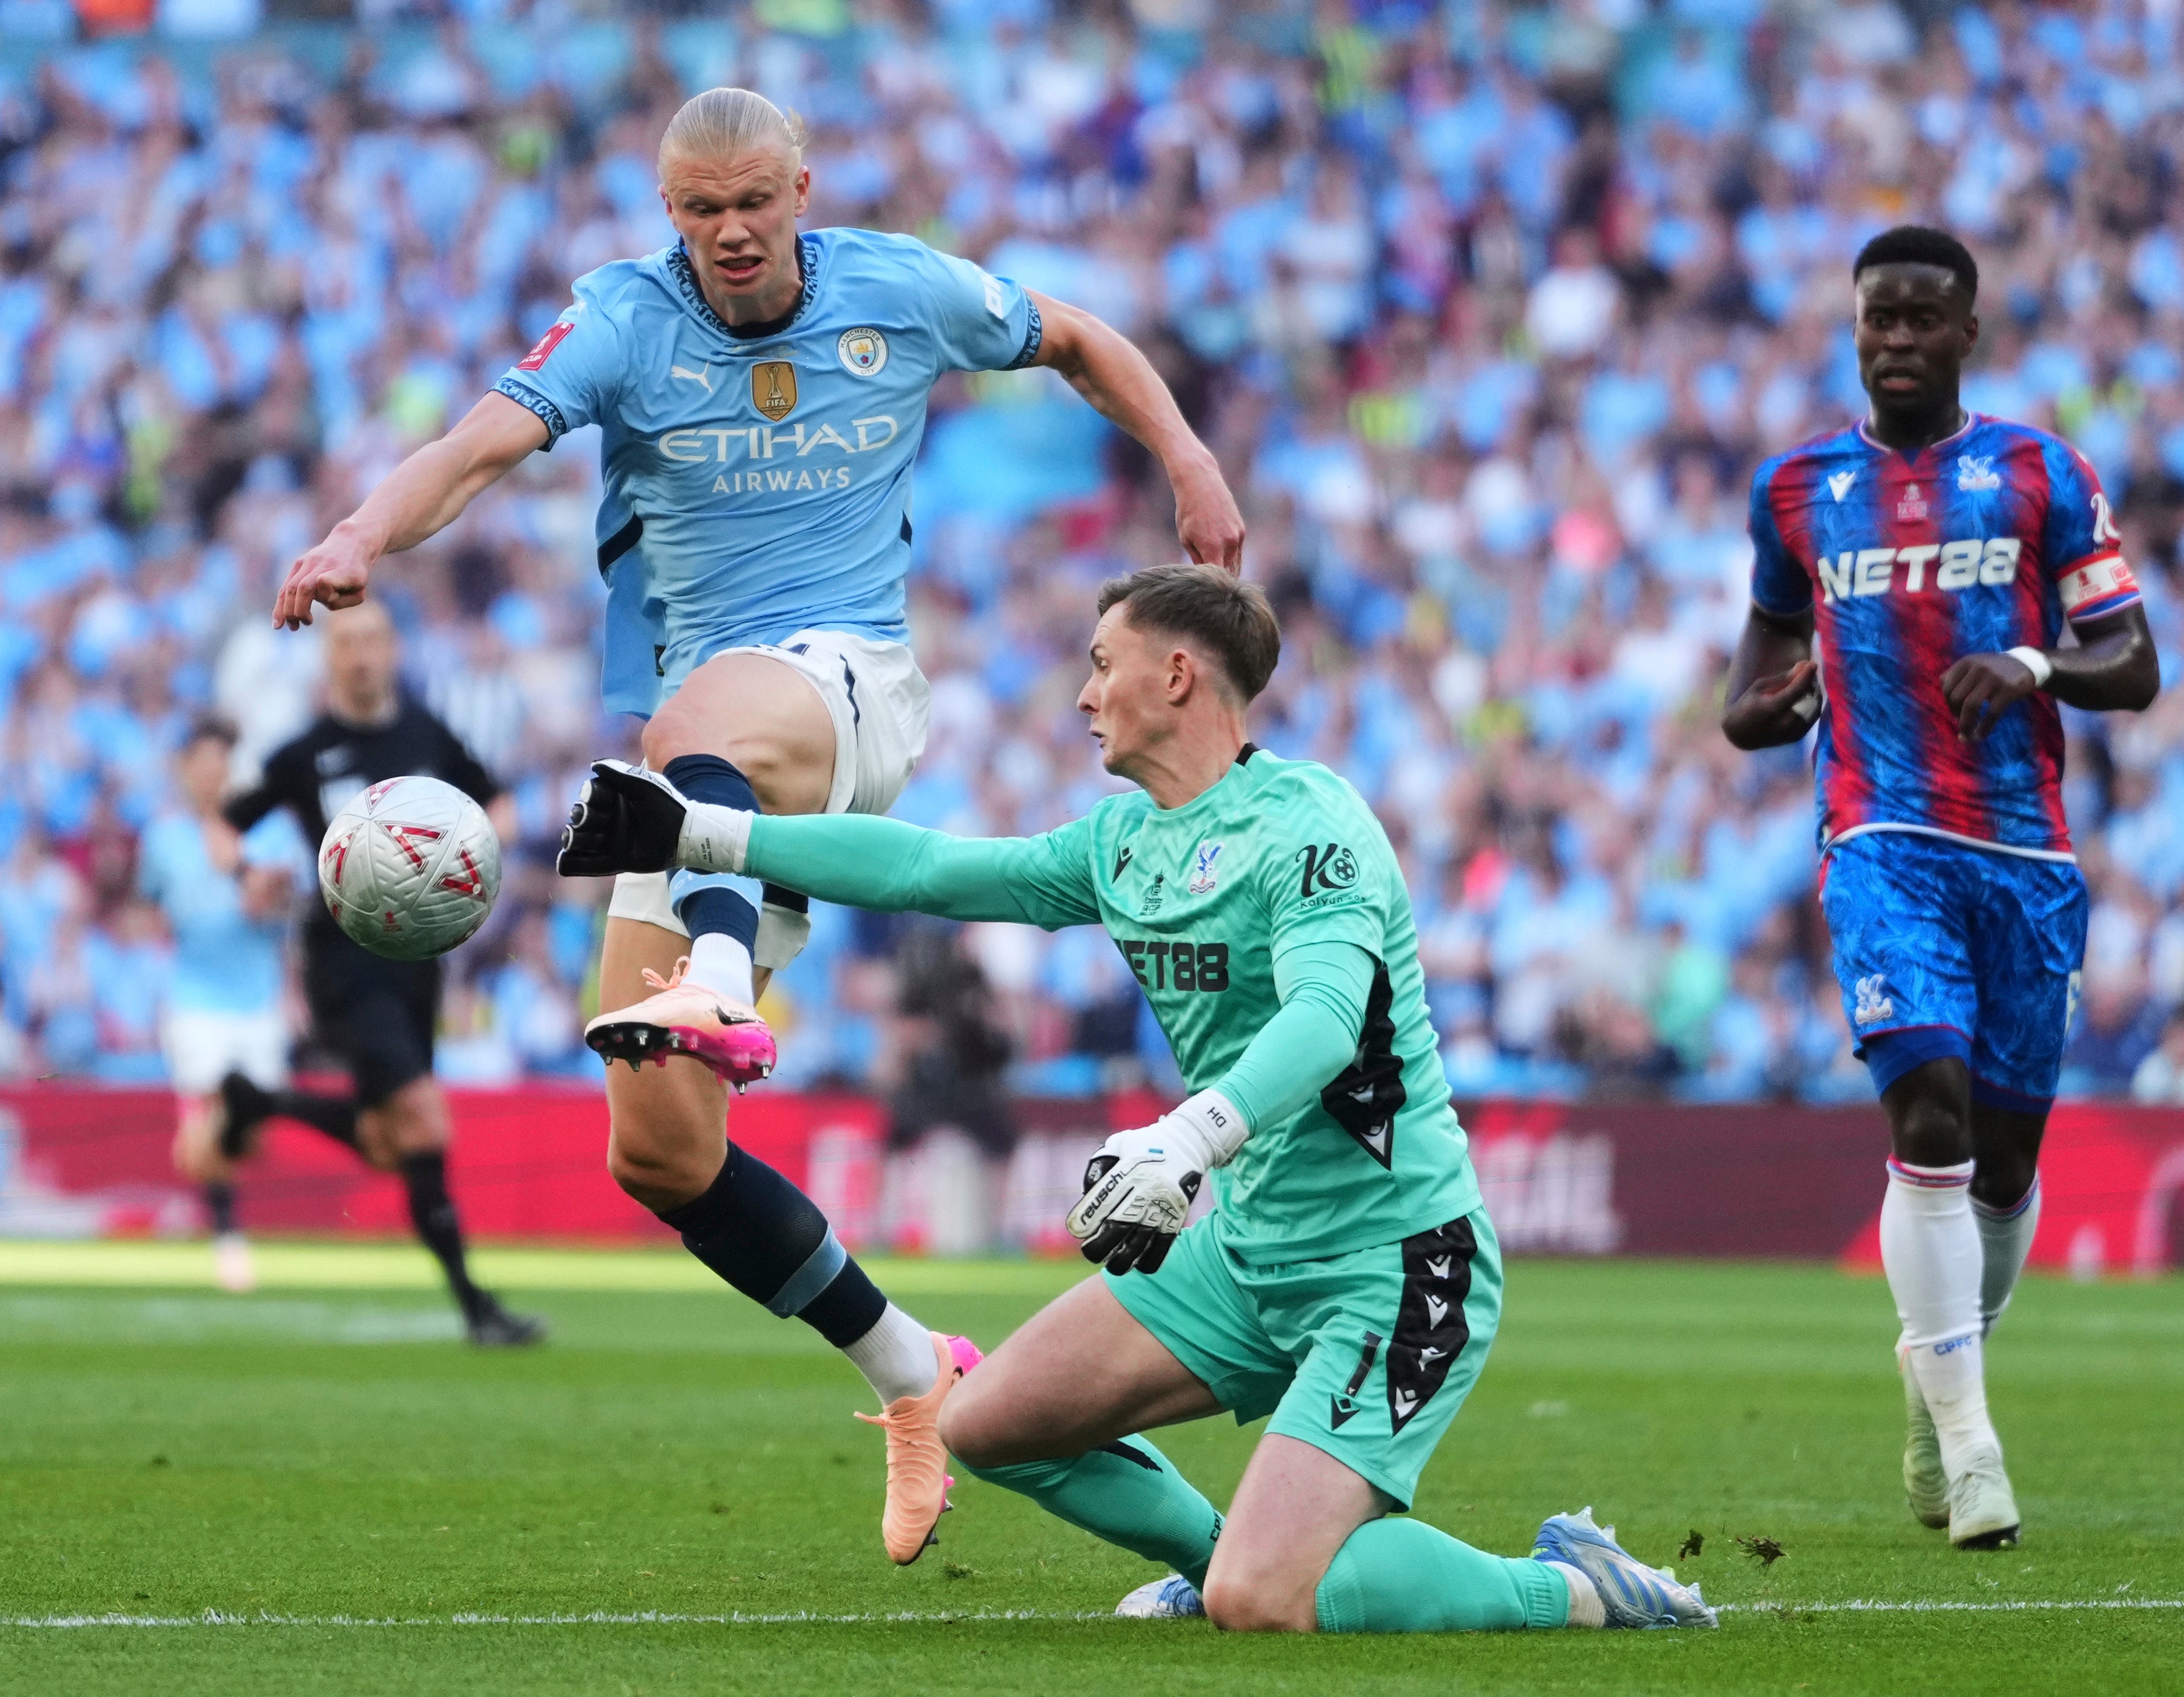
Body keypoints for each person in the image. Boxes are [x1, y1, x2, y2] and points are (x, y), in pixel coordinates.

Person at [271, 87, 1246, 1561]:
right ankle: (913, 1369)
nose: (728, 232)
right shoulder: (622, 319)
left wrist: (1185, 457)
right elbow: (473, 448)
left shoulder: (898, 288)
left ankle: (717, 976)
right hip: (704, 771)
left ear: (800, 188)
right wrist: (358, 532)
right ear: (668, 211)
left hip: (844, 687)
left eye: (750, 202)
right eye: (698, 209)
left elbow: (1077, 339)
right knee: (660, 1149)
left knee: (693, 725)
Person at [558, 563, 1713, 1634]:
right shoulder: (1121, 841)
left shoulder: (1311, 823)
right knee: (984, 1422)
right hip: (1248, 1251)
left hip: (1395, 1263)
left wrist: (1190, 1135)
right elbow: (926, 870)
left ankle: (1571, 1584)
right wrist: (704, 831)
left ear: (1177, 674)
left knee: (1268, 1600)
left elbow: (1324, 1019)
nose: (1081, 694)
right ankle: (1217, 1559)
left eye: (1102, 663)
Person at [1721, 226, 2159, 1549]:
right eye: (1879, 318)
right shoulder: (1796, 490)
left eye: (1922, 318)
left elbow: (2132, 662)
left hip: (2023, 855)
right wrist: (1765, 706)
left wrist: (2034, 665)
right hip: (1878, 835)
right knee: (1928, 1108)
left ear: (1968, 331)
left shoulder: (2038, 472)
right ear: (1854, 329)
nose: (1898, 339)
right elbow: (1747, 688)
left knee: (2006, 1162)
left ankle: (1936, 1374)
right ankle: (1972, 1450)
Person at [213, 603, 544, 1346]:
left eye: (371, 640)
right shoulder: (305, 752)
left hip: (418, 965)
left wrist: (473, 858)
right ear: (329, 658)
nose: (360, 655)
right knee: (424, 1119)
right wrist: (247, 873)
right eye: (346, 643)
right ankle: (477, 1308)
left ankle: (260, 1100)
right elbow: (224, 825)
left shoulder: (427, 736)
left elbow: (500, 806)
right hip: (344, 959)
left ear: (393, 649)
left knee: (386, 1139)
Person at [145, 717, 300, 1295]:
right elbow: (154, 904)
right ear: (185, 770)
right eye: (202, 764)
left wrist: (271, 899)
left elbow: (293, 906)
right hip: (195, 997)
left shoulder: (270, 830)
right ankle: (228, 1235)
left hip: (257, 996)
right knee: (209, 1107)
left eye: (221, 764)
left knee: (249, 1131)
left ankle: (204, 1154)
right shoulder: (163, 839)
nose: (212, 776)